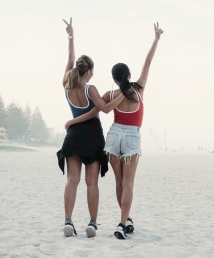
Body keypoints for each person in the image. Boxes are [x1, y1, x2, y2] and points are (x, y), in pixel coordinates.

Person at [65, 22, 164, 239]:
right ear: (128, 75)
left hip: (113, 135)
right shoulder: (138, 89)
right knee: (128, 183)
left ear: (114, 79)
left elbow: (102, 108)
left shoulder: (110, 94)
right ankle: (122, 223)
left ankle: (125, 220)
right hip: (131, 136)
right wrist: (156, 39)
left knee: (119, 183)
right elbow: (148, 62)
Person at [57, 18, 125, 238]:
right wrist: (123, 93)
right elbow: (104, 109)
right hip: (92, 135)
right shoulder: (90, 88)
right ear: (90, 72)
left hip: (73, 136)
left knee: (72, 180)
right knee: (91, 182)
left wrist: (70, 35)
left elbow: (69, 58)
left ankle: (68, 221)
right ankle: (92, 223)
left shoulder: (67, 85)